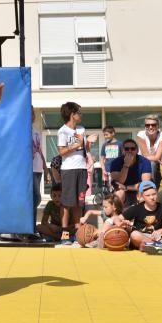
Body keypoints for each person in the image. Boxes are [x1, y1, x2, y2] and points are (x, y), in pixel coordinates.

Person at [57, 102, 96, 244]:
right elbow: (61, 152)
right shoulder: (63, 131)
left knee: (79, 203)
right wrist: (77, 145)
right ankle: (65, 236)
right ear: (72, 114)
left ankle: (78, 235)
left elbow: (83, 150)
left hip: (82, 169)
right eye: (79, 112)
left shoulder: (81, 129)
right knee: (67, 203)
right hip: (69, 170)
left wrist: (89, 144)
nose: (81, 115)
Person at [120, 180, 162, 254]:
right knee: (134, 235)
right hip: (142, 237)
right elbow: (118, 218)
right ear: (142, 196)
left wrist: (160, 231)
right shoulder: (137, 208)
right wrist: (124, 222)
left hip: (157, 237)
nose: (152, 197)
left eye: (154, 194)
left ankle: (150, 247)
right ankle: (157, 246)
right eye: (148, 195)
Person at [110, 139, 152, 206]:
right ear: (123, 150)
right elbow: (119, 182)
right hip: (122, 191)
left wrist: (126, 187)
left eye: (132, 148)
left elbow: (145, 183)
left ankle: (142, 215)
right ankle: (119, 215)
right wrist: (126, 165)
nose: (130, 151)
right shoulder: (115, 162)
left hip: (138, 190)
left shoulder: (145, 162)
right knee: (118, 194)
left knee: (146, 193)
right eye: (127, 149)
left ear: (137, 150)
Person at [136, 114, 162, 186]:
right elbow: (145, 156)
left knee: (154, 163)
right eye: (147, 125)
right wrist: (154, 157)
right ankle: (149, 186)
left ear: (158, 126)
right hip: (143, 163)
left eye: (153, 125)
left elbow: (157, 157)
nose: (150, 127)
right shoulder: (141, 134)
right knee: (151, 163)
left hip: (160, 164)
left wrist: (155, 158)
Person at [32, 110, 51, 210]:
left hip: (38, 169)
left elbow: (40, 151)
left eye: (33, 113)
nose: (33, 116)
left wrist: (46, 169)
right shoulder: (22, 130)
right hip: (29, 170)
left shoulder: (36, 131)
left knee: (35, 198)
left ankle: (33, 223)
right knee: (35, 198)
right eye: (30, 113)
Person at [99, 126, 119, 192]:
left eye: (106, 134)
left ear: (113, 133)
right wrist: (103, 169)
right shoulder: (105, 145)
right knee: (108, 190)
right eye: (104, 135)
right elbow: (102, 158)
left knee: (117, 189)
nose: (105, 136)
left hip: (117, 171)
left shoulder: (120, 144)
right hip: (107, 171)